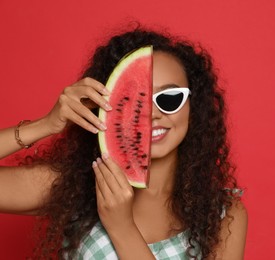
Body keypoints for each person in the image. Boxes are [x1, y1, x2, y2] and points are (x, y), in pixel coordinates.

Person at [0, 24, 247, 259]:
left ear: (195, 108)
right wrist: (45, 125)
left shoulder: (224, 215)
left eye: (169, 98)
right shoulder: (76, 187)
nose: (152, 113)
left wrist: (122, 227)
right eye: (133, 102)